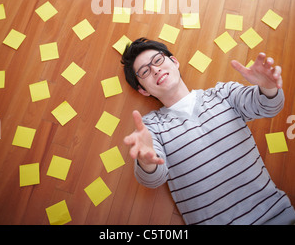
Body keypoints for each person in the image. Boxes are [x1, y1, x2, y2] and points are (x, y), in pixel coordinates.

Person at [122, 37, 295, 225]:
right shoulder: (151, 127)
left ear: (174, 62)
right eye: (144, 71)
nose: (155, 69)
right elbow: (153, 180)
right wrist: (147, 162)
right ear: (143, 90)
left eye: (158, 60)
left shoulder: (224, 93)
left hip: (278, 216)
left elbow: (269, 107)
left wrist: (268, 88)